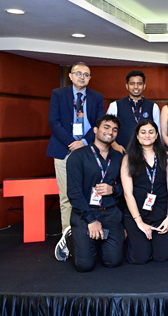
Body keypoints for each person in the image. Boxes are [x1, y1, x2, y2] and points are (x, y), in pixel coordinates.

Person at [50, 62, 104, 261]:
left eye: (86, 74)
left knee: (89, 193)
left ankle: (88, 234)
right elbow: (53, 122)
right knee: (66, 195)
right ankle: (68, 236)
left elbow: (99, 123)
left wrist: (83, 142)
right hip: (64, 149)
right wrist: (71, 142)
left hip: (88, 149)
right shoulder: (58, 94)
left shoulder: (96, 97)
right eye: (78, 73)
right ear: (71, 76)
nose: (82, 77)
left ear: (90, 78)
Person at [61, 115, 124, 272]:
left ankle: (96, 243)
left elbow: (127, 188)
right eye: (106, 127)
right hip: (85, 214)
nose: (110, 132)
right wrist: (91, 220)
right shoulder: (78, 156)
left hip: (110, 213)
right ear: (95, 130)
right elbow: (74, 193)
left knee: (113, 261)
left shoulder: (119, 157)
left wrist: (113, 189)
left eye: (114, 130)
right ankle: (70, 238)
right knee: (85, 266)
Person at [120, 119, 168, 264]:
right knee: (140, 258)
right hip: (137, 213)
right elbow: (127, 193)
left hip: (161, 212)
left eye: (151, 132)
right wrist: (139, 222)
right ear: (137, 136)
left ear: (156, 135)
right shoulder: (128, 159)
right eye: (143, 132)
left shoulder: (166, 156)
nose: (147, 135)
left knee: (162, 256)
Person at [107, 70, 161, 152]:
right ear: (127, 86)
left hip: (146, 153)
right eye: (132, 84)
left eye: (139, 84)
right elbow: (108, 129)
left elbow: (158, 133)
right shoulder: (115, 105)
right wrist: (115, 145)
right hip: (121, 152)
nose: (136, 87)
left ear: (144, 86)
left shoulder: (153, 106)